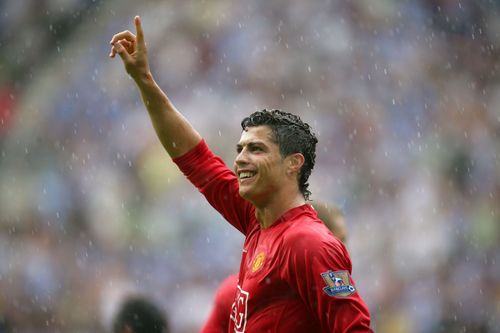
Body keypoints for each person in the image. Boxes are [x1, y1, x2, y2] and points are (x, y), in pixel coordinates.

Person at [109, 16, 372, 332]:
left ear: (293, 164)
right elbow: (195, 159)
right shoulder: (256, 220)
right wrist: (144, 81)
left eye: (256, 150)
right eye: (240, 150)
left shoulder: (308, 243)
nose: (241, 160)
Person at [200, 202, 349, 333]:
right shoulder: (233, 293)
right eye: (338, 242)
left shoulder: (338, 290)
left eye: (344, 242)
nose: (344, 251)